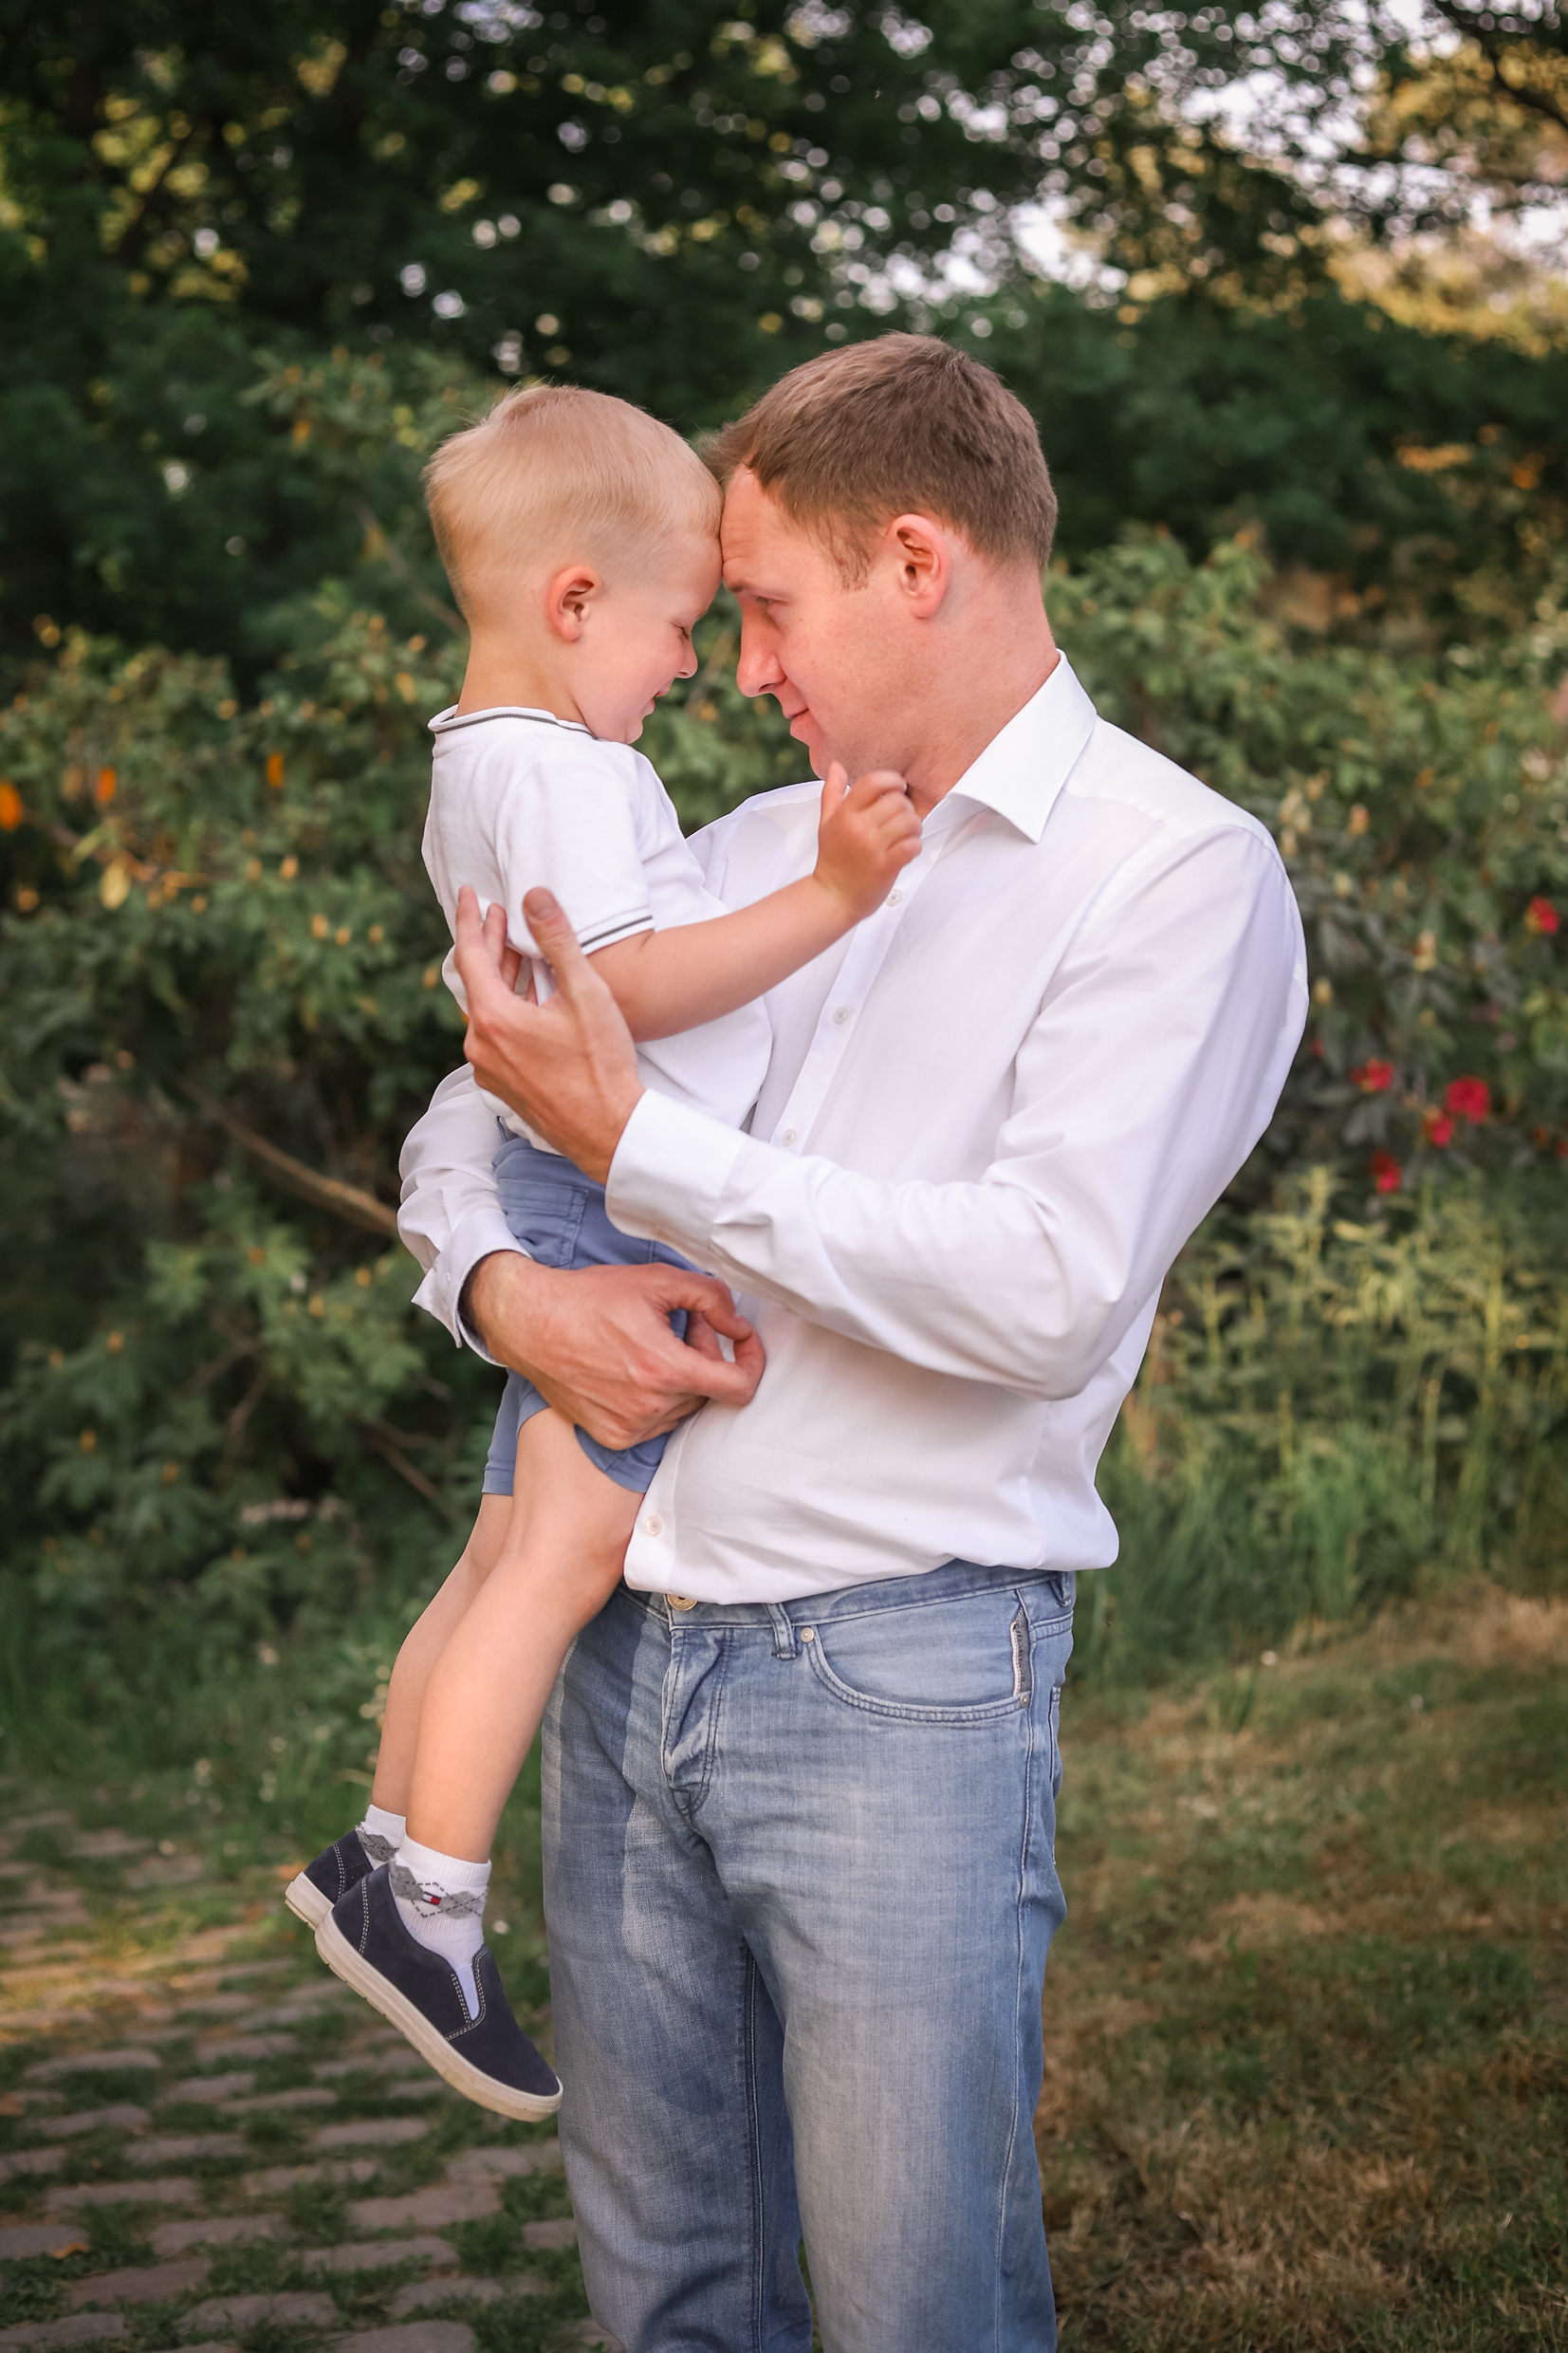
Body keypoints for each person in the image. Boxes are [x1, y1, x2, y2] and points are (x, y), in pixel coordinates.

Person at [398, 335, 1307, 2351]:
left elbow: (1042, 1284)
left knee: (917, 2315)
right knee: (674, 2304)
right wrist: (502, 1288)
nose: (737, 669)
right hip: (618, 1657)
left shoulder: (1170, 876)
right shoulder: (732, 852)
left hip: (890, 1674)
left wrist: (637, 1143)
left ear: (917, 560)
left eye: (764, 610)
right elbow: (469, 1114)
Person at [285, 382, 919, 2120]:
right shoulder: (570, 769)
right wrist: (833, 900)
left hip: (549, 1186)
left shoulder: (481, 758)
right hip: (593, 1192)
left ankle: (377, 1843)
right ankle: (428, 1904)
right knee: (561, 1567)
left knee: (496, 1555)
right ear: (575, 603)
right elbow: (620, 991)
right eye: (682, 625)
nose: (695, 668)